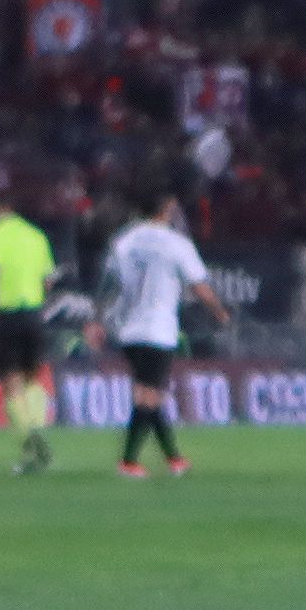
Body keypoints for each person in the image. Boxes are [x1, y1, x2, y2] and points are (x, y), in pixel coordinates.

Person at [102, 193, 228, 477]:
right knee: (148, 394)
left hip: (129, 329)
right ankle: (128, 461)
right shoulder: (177, 243)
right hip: (158, 328)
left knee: (152, 394)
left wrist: (99, 319)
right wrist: (219, 312)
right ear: (166, 210)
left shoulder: (125, 240)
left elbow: (110, 281)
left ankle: (174, 458)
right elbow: (199, 285)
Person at [0, 185, 61, 475]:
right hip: (34, 314)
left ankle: (31, 443)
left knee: (11, 384)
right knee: (32, 380)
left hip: (5, 316)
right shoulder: (36, 235)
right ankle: (37, 432)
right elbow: (48, 281)